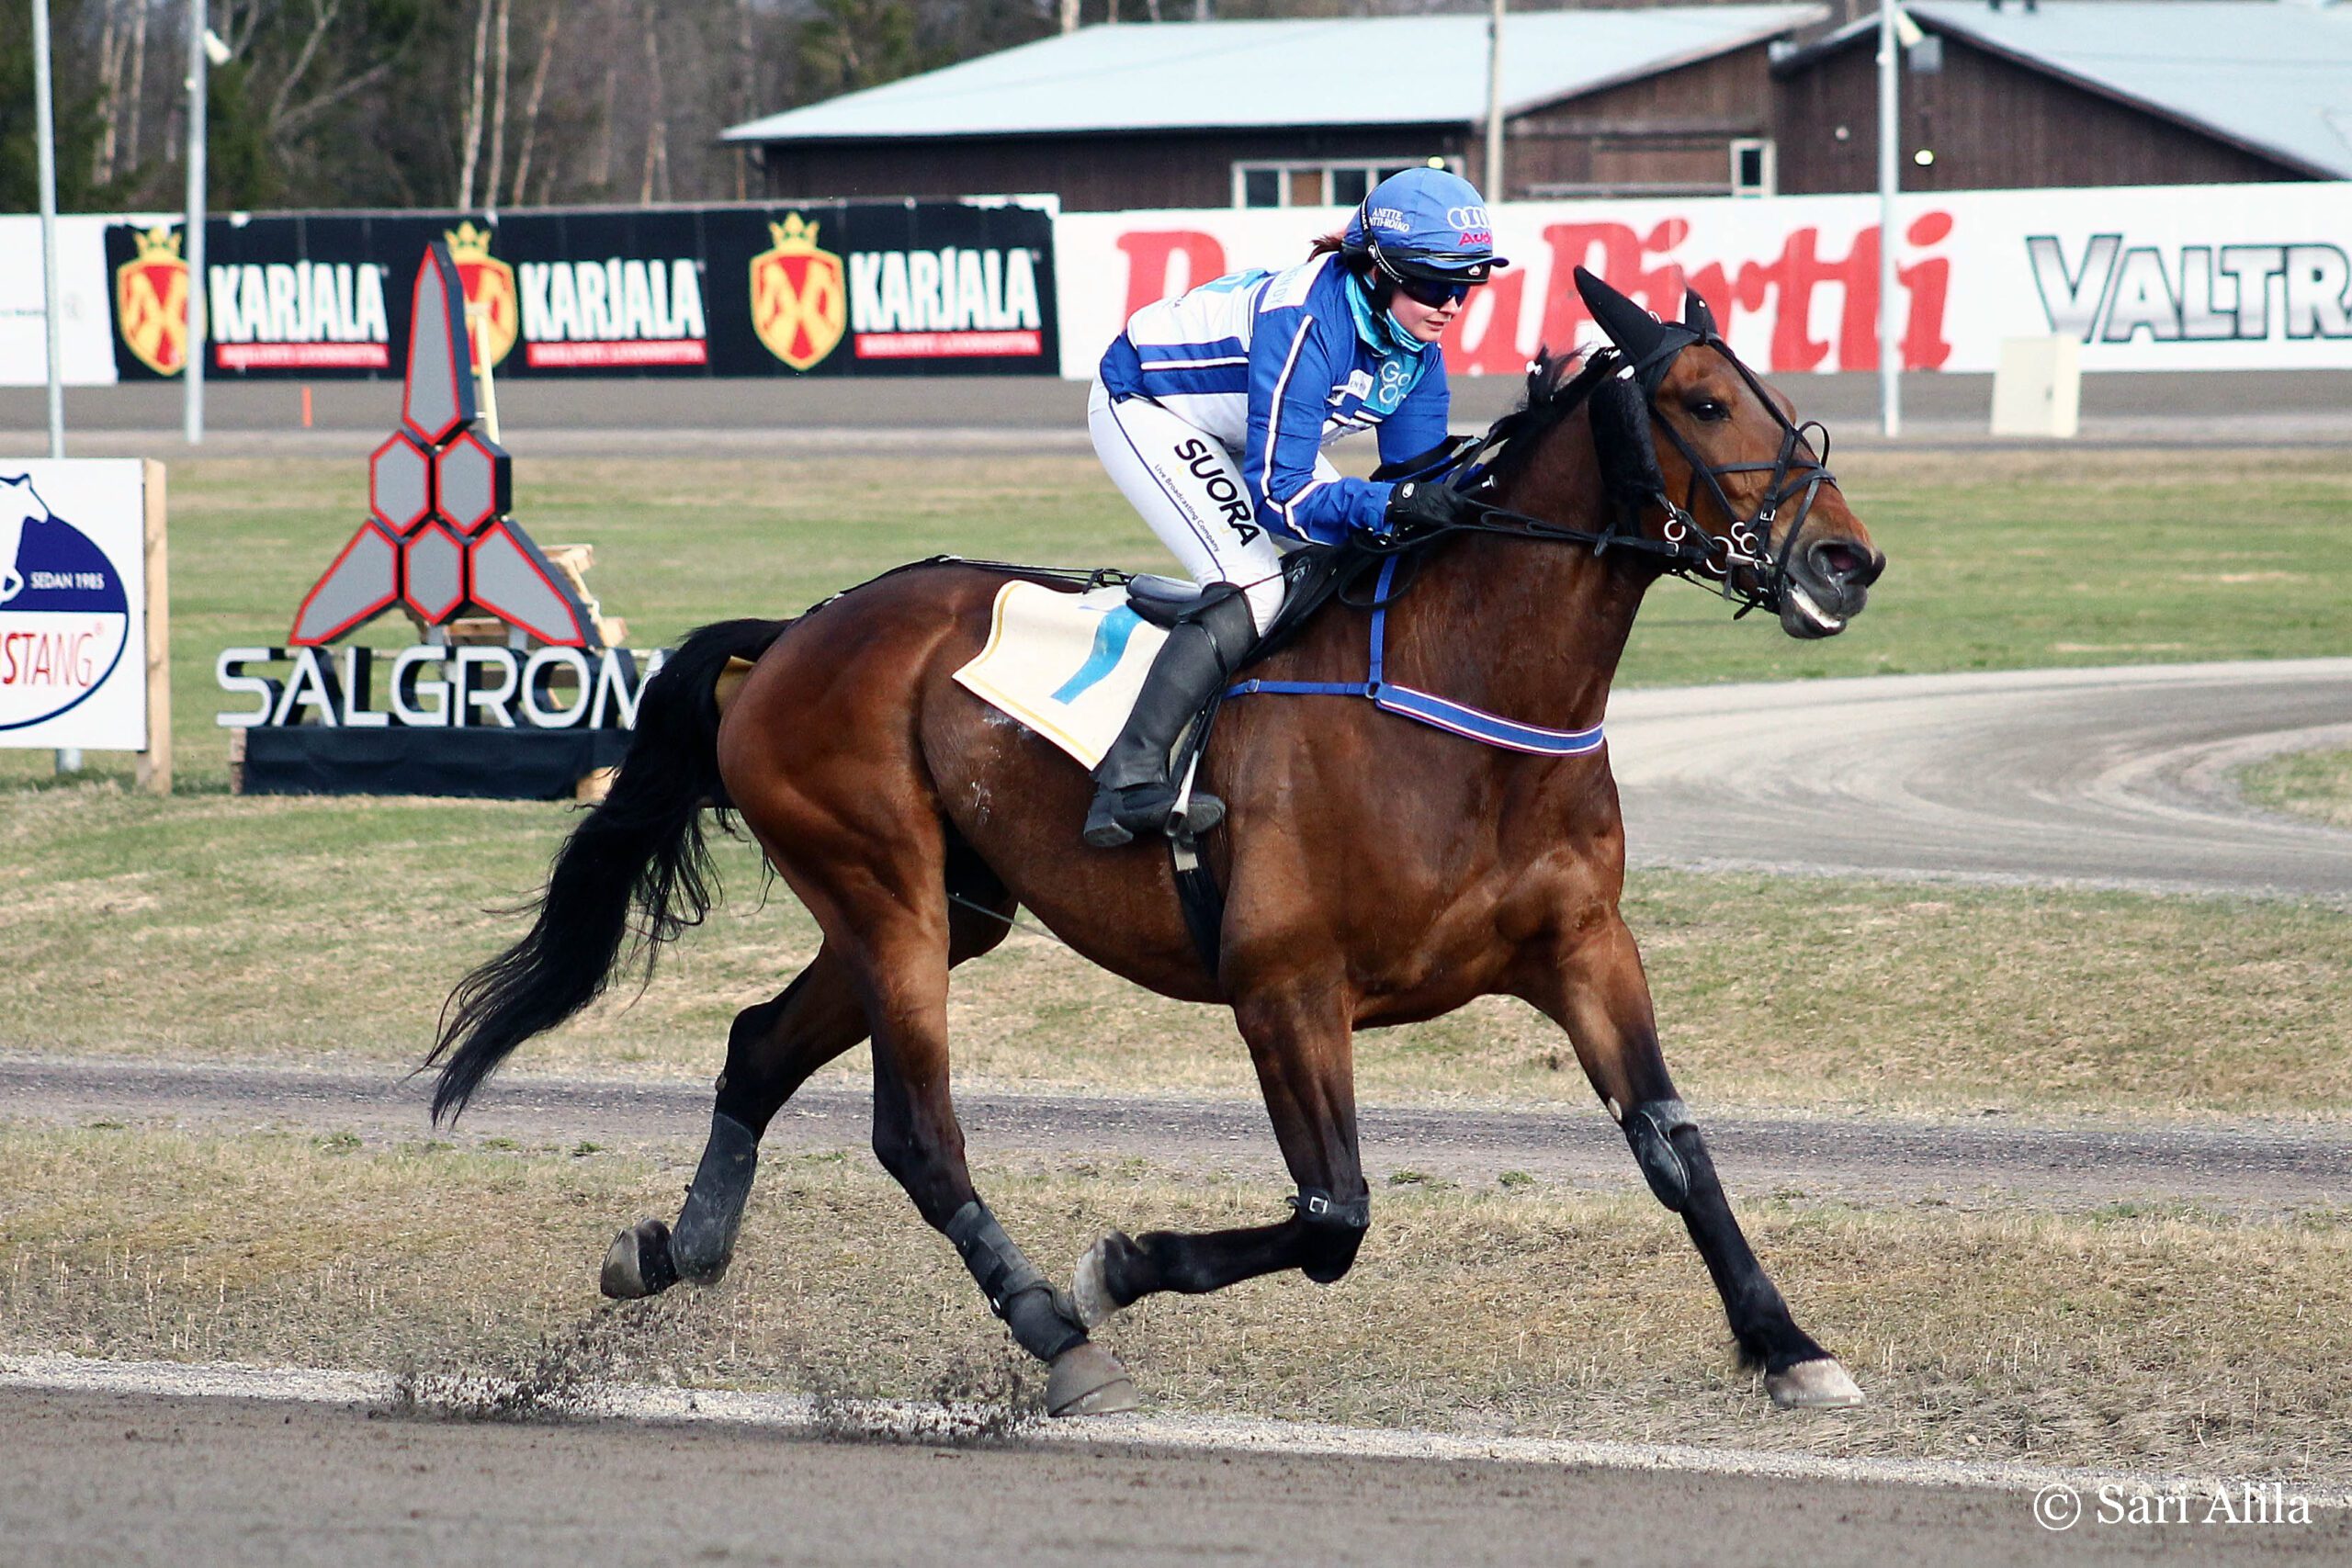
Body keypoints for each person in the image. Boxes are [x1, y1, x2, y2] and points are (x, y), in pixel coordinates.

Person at [1081, 165, 1507, 848]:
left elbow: (1417, 479)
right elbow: (1283, 500)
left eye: (1466, 285)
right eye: (1434, 284)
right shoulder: (1308, 324)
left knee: (1358, 556)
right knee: (1255, 585)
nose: (1452, 304)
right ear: (1379, 272)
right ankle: (1126, 781)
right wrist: (1395, 500)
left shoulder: (1416, 349)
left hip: (1242, 423)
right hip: (1149, 404)